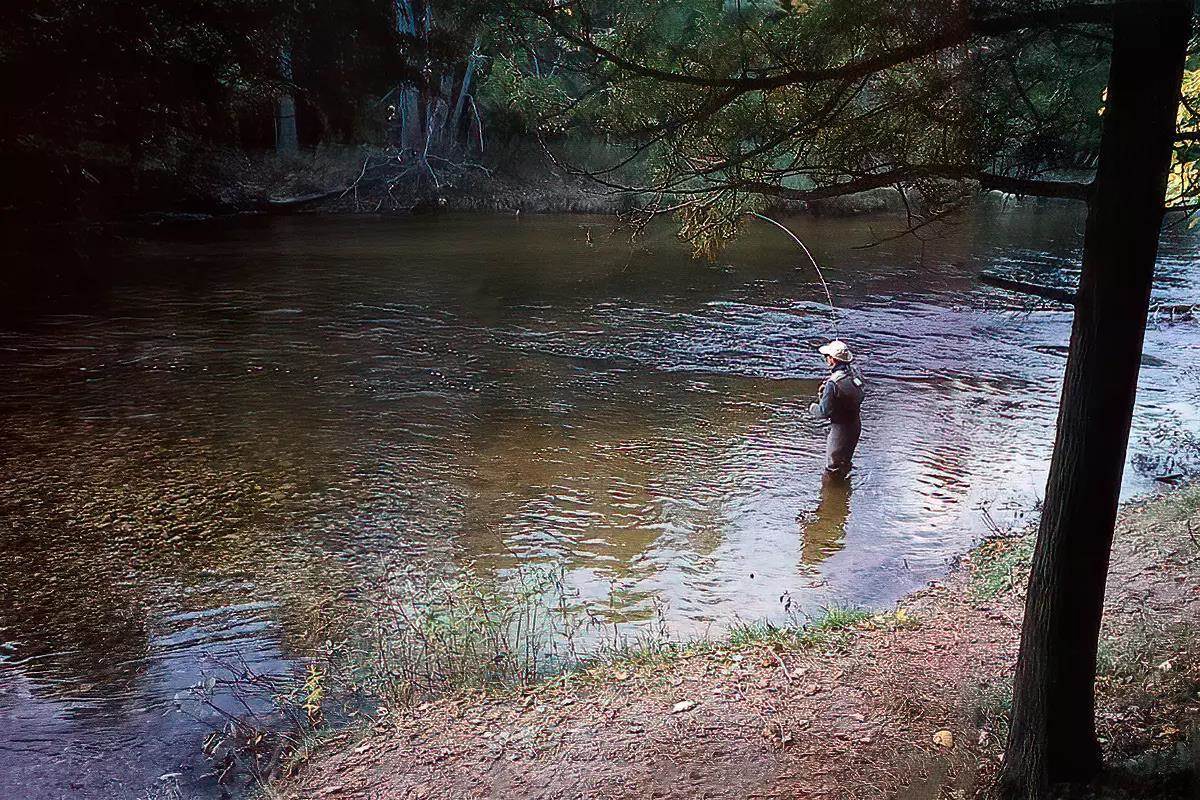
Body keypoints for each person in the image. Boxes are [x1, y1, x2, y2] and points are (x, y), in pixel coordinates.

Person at [808, 339, 865, 477]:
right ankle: (846, 491)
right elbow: (860, 394)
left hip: (840, 430)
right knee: (845, 462)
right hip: (855, 426)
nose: (826, 359)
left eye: (827, 357)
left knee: (832, 468)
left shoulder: (832, 384)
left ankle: (833, 496)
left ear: (832, 360)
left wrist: (812, 406)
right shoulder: (855, 372)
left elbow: (823, 412)